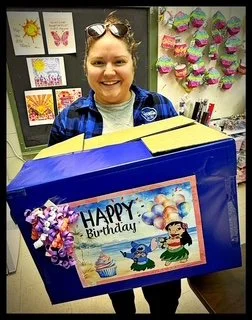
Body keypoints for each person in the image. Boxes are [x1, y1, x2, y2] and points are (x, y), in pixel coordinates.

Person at [48, 11, 181, 317]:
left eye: (119, 61)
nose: (109, 72)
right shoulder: (70, 119)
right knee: (121, 301)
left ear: (133, 63)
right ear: (86, 66)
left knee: (164, 301)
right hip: (104, 237)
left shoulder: (160, 107)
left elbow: (182, 169)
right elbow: (52, 182)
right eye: (98, 62)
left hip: (157, 228)